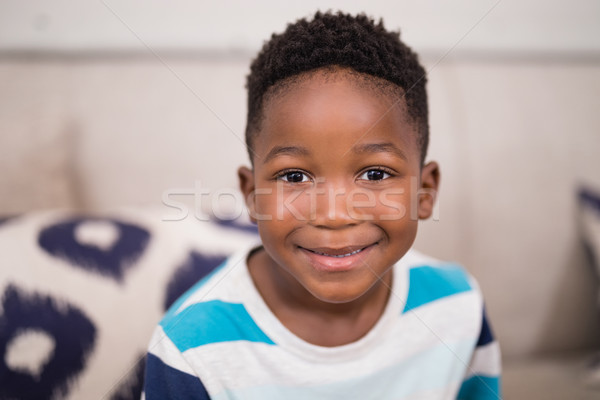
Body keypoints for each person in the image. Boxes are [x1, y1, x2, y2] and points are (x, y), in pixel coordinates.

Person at [142, 11, 501, 399]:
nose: (333, 214)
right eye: (294, 177)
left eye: (376, 174)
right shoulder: (191, 348)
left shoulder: (458, 307)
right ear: (252, 195)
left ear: (425, 192)